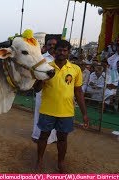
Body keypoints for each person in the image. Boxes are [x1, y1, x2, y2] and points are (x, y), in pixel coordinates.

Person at [34, 40, 89, 173]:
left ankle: (61, 162)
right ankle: (39, 160)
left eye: (65, 50)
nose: (62, 53)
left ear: (69, 52)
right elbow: (36, 89)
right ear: (55, 51)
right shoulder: (46, 67)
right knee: (43, 137)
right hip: (47, 110)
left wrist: (84, 114)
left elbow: (78, 91)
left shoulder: (75, 69)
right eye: (59, 50)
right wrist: (42, 78)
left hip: (66, 112)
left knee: (62, 139)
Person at [32, 38, 58, 144]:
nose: (51, 46)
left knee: (56, 114)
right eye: (49, 44)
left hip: (56, 90)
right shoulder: (42, 58)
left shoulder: (61, 59)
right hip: (42, 90)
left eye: (54, 44)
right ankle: (36, 135)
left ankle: (53, 137)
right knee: (40, 113)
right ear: (46, 46)